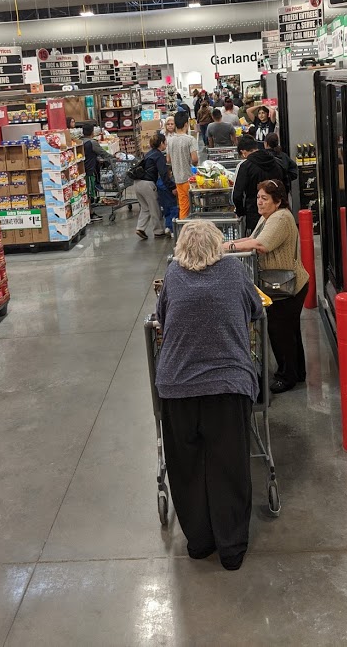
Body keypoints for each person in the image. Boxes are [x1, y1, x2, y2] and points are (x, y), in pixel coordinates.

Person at [156, 219, 263, 570]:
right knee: (229, 466)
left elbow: (162, 316)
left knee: (186, 467)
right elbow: (255, 310)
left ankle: (199, 543)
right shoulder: (233, 272)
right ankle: (231, 549)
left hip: (177, 387)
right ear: (218, 246)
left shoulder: (172, 276)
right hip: (227, 386)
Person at [224, 179, 309, 394]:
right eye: (258, 197)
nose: (259, 202)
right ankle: (297, 372)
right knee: (290, 331)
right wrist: (229, 245)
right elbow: (253, 238)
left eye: (265, 198)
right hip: (284, 285)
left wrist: (227, 246)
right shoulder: (268, 217)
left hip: (286, 287)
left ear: (278, 201)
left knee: (279, 331)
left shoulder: (280, 218)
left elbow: (261, 245)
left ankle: (286, 377)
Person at [232, 134, 288, 232]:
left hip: (255, 214)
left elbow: (237, 195)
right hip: (277, 211)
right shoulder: (277, 162)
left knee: (258, 243)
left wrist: (241, 212)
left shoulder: (246, 166)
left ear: (243, 152)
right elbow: (286, 186)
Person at [134, 132, 175, 240]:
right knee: (155, 208)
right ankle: (158, 231)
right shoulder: (158, 155)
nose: (165, 144)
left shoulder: (149, 153)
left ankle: (140, 228)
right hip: (147, 184)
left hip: (137, 183)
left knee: (145, 207)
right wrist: (172, 187)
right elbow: (163, 173)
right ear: (161, 143)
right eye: (165, 142)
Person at [166, 110, 199, 219]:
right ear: (186, 124)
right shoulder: (190, 139)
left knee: (184, 206)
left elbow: (168, 159)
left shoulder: (170, 140)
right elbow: (194, 159)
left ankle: (183, 230)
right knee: (196, 207)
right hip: (189, 179)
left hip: (178, 179)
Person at [82, 122, 108, 222]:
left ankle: (88, 212)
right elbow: (103, 153)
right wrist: (114, 157)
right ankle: (90, 214)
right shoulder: (92, 143)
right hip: (90, 170)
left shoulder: (80, 141)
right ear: (92, 132)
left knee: (85, 192)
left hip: (82, 170)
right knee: (89, 193)